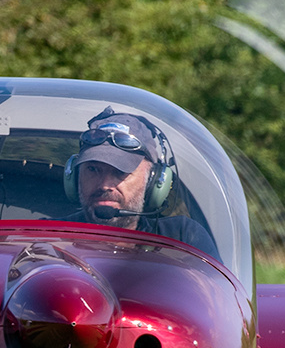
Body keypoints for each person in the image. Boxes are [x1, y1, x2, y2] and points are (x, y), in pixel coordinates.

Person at [67, 110, 222, 263]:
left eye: (120, 172)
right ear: (74, 175)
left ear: (153, 181)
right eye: (93, 169)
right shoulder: (48, 237)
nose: (105, 185)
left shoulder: (184, 238)